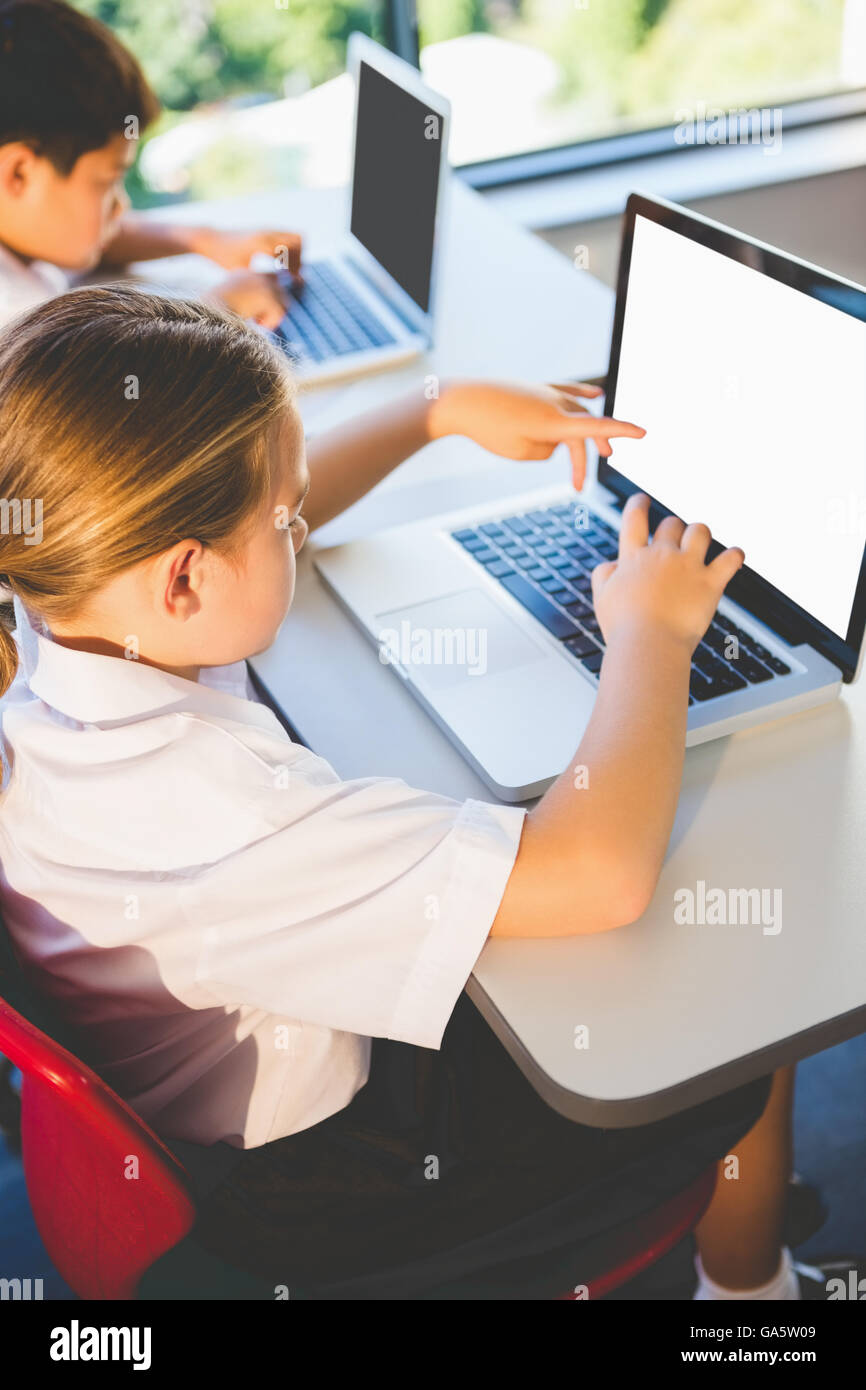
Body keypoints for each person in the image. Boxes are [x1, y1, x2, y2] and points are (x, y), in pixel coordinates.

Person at [0, 286, 828, 1301]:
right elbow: (599, 873)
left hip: (227, 1081)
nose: (300, 527)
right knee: (747, 1021)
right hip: (319, 1185)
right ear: (184, 579)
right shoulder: (218, 816)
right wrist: (649, 637)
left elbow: (230, 523)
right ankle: (756, 1300)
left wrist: (434, 411)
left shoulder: (64, 609)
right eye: (286, 520)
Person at [0, 0, 301, 333]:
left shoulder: (24, 231)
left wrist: (203, 240)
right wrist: (217, 311)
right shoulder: (13, 316)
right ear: (19, 173)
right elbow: (105, 380)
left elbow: (85, 238)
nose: (121, 206)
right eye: (108, 182)